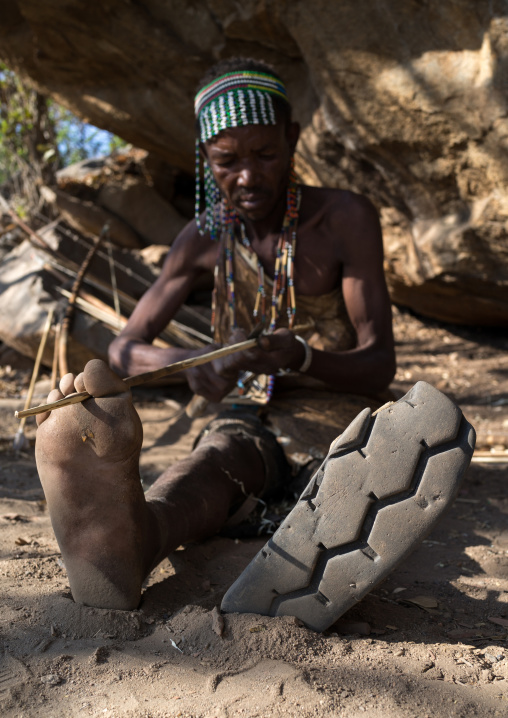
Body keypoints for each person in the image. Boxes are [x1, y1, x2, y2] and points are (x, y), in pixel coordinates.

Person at [34, 58, 473, 630]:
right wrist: (188, 364)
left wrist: (303, 358)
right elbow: (123, 352)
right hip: (244, 413)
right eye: (226, 161)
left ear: (293, 140)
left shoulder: (342, 218)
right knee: (221, 459)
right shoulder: (200, 240)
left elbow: (377, 363)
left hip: (338, 410)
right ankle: (132, 540)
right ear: (203, 157)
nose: (247, 176)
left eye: (265, 155)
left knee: (338, 466)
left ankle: (330, 501)